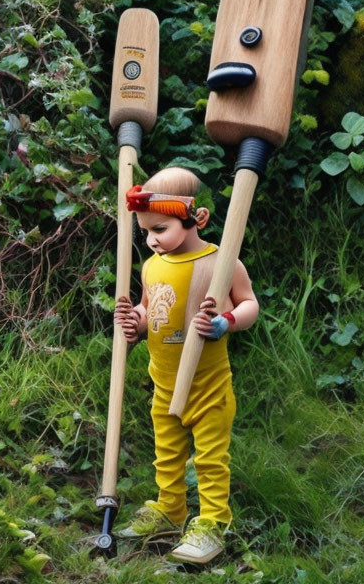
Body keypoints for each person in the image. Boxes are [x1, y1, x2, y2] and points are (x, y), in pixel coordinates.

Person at [114, 166, 259, 564]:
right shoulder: (151, 265)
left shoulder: (222, 261)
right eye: (145, 232)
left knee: (210, 458)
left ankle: (213, 523)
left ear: (195, 218)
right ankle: (170, 509)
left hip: (208, 385)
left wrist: (225, 321)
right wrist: (136, 323)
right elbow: (150, 307)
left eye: (159, 229)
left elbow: (250, 304)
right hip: (162, 382)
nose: (151, 240)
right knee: (167, 453)